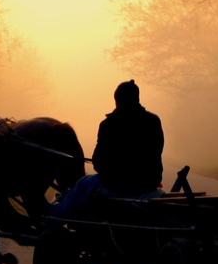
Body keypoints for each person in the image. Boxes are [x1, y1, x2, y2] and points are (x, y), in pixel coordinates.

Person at [52, 80, 164, 216]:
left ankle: (56, 214)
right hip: (149, 183)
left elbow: (98, 163)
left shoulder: (109, 124)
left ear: (117, 100)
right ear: (137, 98)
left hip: (117, 185)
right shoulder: (153, 121)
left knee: (83, 183)